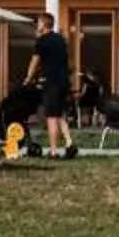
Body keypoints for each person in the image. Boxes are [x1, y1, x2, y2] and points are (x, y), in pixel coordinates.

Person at [24, 12, 77, 161]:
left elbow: (34, 62)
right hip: (64, 81)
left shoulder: (42, 41)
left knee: (51, 117)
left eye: (39, 23)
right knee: (59, 113)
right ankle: (69, 143)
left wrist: (28, 78)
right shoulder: (61, 39)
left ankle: (53, 152)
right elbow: (69, 62)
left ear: (44, 24)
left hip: (51, 82)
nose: (37, 25)